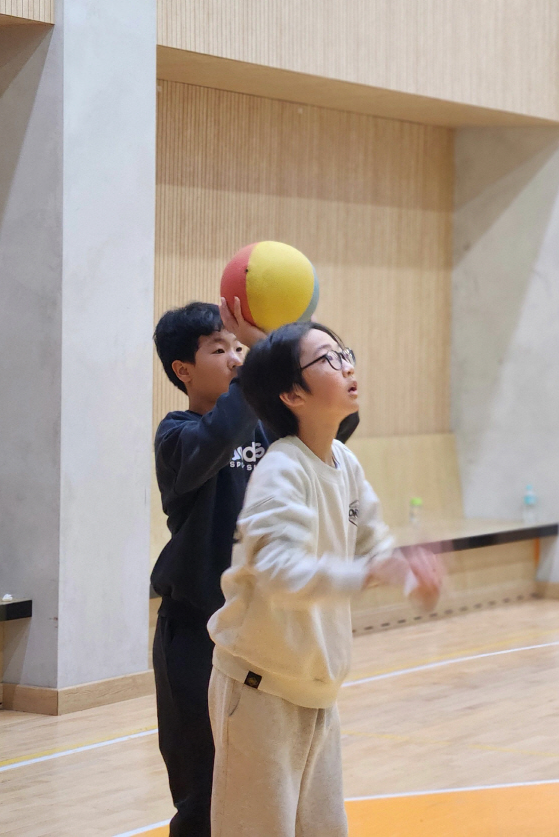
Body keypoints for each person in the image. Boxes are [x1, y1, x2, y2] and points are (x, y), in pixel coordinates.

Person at [207, 321, 443, 836]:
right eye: (329, 359)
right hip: (259, 690)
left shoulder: (345, 462)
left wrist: (405, 571)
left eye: (345, 354)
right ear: (292, 393)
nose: (348, 365)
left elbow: (373, 542)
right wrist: (369, 573)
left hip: (317, 693)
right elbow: (278, 573)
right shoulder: (280, 470)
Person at [151, 299, 359, 836]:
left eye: (241, 347)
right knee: (203, 793)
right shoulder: (177, 436)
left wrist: (291, 354)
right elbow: (217, 437)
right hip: (196, 633)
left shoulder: (271, 434)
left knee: (276, 800)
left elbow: (341, 418)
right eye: (220, 349)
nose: (237, 358)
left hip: (264, 636)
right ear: (183, 370)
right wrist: (260, 364)